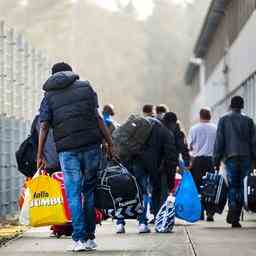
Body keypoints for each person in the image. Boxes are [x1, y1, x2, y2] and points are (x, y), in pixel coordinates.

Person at [37, 62, 113, 251]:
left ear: (53, 76)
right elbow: (97, 117)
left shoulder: (49, 97)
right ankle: (89, 237)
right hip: (91, 146)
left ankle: (78, 239)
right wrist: (110, 142)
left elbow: (44, 126)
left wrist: (39, 154)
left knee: (73, 193)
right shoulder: (86, 87)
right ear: (70, 73)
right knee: (88, 192)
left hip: (68, 150)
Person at [116, 118, 178, 234]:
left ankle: (119, 223)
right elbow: (171, 158)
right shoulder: (165, 132)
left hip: (128, 159)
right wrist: (170, 183)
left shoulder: (139, 125)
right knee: (143, 192)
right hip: (145, 164)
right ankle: (142, 223)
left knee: (125, 192)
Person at [213, 96, 256, 228]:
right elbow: (254, 142)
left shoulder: (223, 120)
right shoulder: (249, 121)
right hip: (247, 157)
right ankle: (238, 211)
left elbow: (219, 141)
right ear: (242, 106)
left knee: (233, 186)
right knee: (244, 186)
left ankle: (233, 208)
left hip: (230, 157)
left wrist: (216, 159)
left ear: (231, 106)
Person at [187, 108, 217, 221]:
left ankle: (200, 212)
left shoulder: (194, 129)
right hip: (211, 160)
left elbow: (189, 146)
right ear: (210, 116)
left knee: (198, 187)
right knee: (210, 186)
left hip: (197, 161)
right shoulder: (215, 128)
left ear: (200, 116)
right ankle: (210, 212)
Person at [162, 112, 190, 193]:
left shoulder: (160, 129)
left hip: (160, 164)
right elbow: (183, 148)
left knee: (160, 188)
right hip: (173, 163)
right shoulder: (178, 132)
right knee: (173, 187)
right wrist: (187, 162)